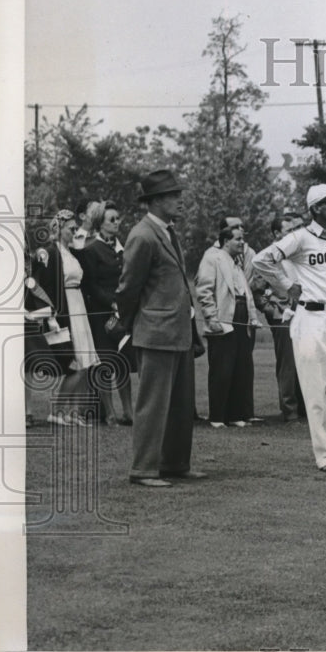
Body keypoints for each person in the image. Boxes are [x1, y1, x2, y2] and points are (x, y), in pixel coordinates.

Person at [253, 183, 326, 473]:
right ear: (316, 208)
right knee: (315, 391)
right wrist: (286, 286)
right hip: (309, 318)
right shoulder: (300, 238)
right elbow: (261, 260)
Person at [115, 169, 204, 487]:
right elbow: (128, 289)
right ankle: (144, 468)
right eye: (172, 195)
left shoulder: (168, 231)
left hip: (177, 330)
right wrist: (134, 324)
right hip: (155, 331)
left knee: (181, 405)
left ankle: (175, 464)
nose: (180, 200)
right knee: (153, 404)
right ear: (154, 201)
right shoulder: (142, 235)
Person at [31, 209, 101, 426]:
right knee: (76, 362)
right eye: (70, 229)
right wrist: (52, 314)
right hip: (66, 309)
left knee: (86, 362)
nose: (73, 232)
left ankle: (74, 412)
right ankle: (58, 411)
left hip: (79, 306)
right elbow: (44, 284)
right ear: (59, 229)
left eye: (74, 229)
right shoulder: (51, 252)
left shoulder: (72, 253)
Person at [196, 225, 261, 428]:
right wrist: (211, 317)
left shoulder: (236, 263)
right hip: (223, 319)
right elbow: (204, 289)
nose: (242, 243)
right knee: (222, 369)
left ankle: (235, 415)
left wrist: (252, 318)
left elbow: (245, 294)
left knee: (240, 367)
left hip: (241, 319)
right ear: (226, 241)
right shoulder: (212, 257)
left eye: (242, 239)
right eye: (238, 239)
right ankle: (217, 416)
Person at [79, 200, 134, 425]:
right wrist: (111, 303)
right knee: (105, 364)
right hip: (101, 315)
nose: (117, 222)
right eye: (112, 219)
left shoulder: (124, 249)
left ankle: (129, 412)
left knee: (123, 363)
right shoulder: (92, 249)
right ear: (101, 224)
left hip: (124, 314)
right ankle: (110, 413)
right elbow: (90, 285)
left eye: (118, 218)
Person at [258, 211, 306, 423]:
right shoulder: (269, 257)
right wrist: (276, 313)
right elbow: (259, 293)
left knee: (306, 361)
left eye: (297, 229)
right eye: (290, 230)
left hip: (304, 313)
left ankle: (306, 407)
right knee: (288, 364)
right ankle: (290, 410)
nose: (295, 234)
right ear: (277, 234)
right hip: (283, 317)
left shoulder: (297, 254)